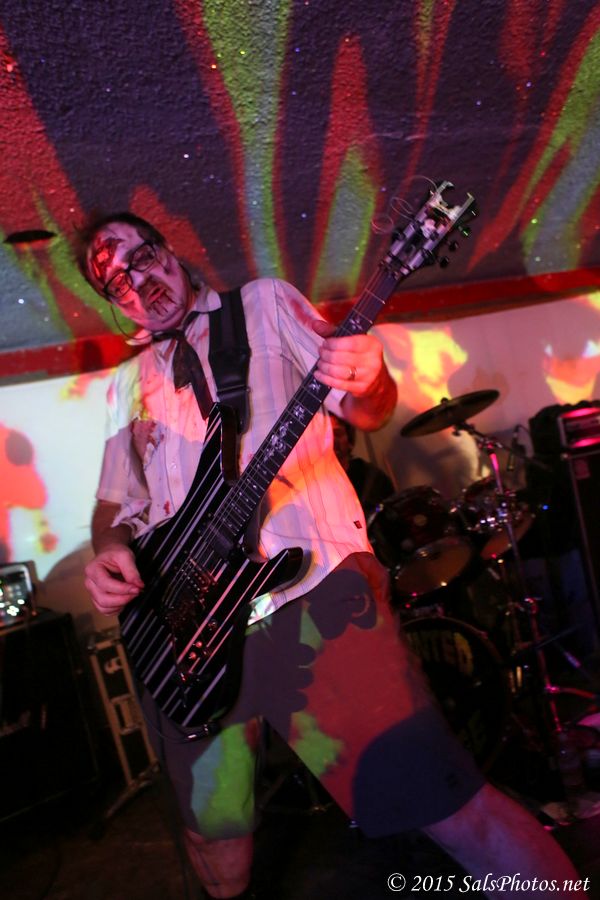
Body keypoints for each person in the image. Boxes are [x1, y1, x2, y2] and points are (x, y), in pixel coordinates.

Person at [79, 213, 582, 900]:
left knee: (447, 806)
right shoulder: (126, 385)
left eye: (143, 257)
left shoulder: (263, 304)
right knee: (215, 838)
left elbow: (365, 407)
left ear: (170, 250)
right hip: (184, 633)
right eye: (117, 282)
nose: (139, 281)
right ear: (116, 305)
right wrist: (109, 550)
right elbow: (114, 505)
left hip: (308, 600)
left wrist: (369, 378)